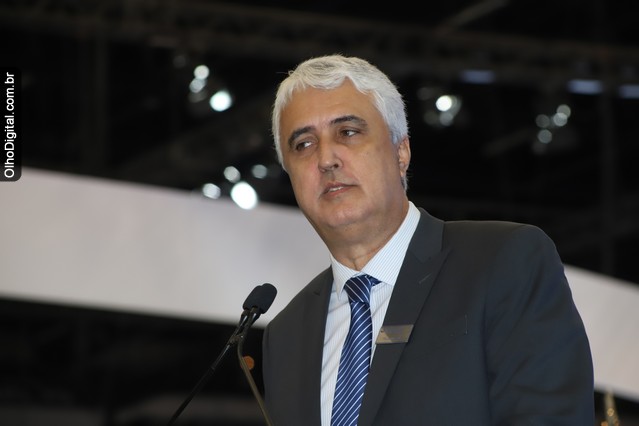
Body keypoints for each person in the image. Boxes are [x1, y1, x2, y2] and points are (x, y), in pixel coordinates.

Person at [261, 54, 594, 425]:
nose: (326, 159)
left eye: (348, 132)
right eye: (303, 144)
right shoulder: (285, 336)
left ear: (400, 151)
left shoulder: (503, 262)